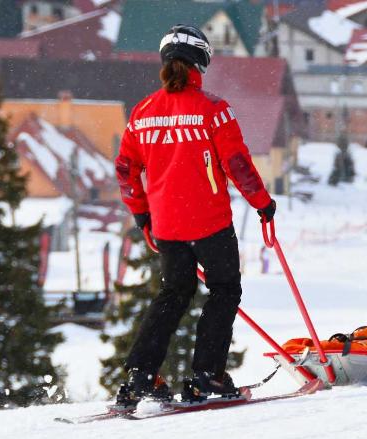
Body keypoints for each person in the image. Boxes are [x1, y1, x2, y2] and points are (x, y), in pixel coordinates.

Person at [113, 24, 276, 409]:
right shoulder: (213, 111)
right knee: (224, 290)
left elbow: (125, 169)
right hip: (209, 223)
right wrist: (263, 204)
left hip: (167, 226)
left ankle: (140, 377)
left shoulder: (142, 113)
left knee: (173, 294)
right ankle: (207, 376)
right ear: (201, 60)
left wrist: (142, 217)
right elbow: (237, 164)